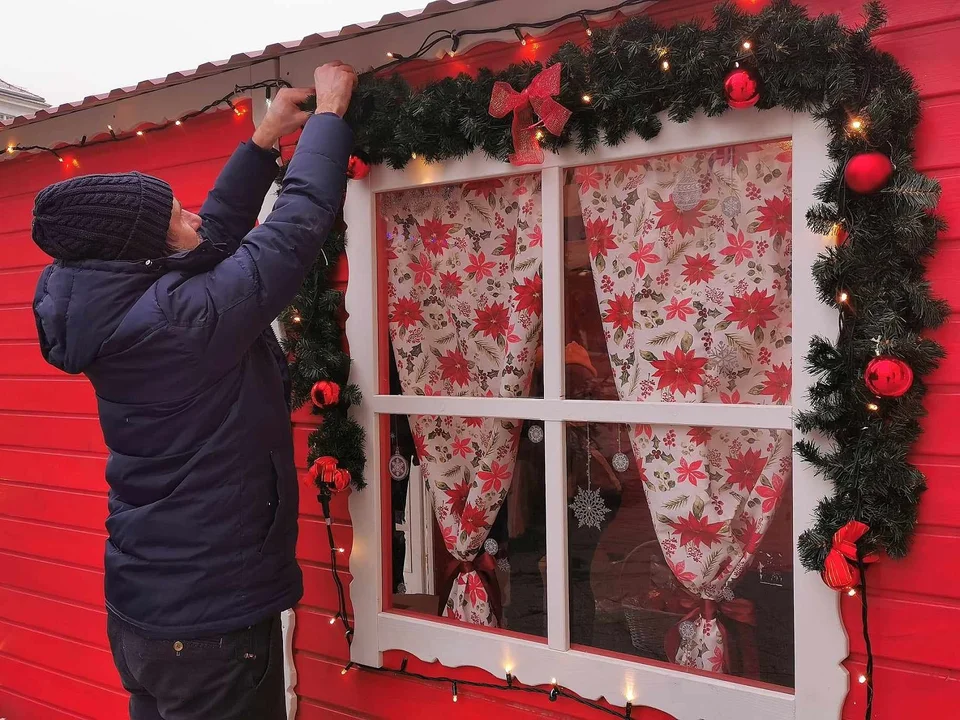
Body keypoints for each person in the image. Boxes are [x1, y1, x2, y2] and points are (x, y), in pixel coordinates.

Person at [30, 61, 358, 720]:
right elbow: (293, 231)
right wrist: (329, 117)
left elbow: (210, 238)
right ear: (147, 253)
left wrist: (265, 141)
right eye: (177, 215)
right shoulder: (183, 319)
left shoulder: (119, 302)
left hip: (148, 617)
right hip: (211, 630)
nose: (194, 219)